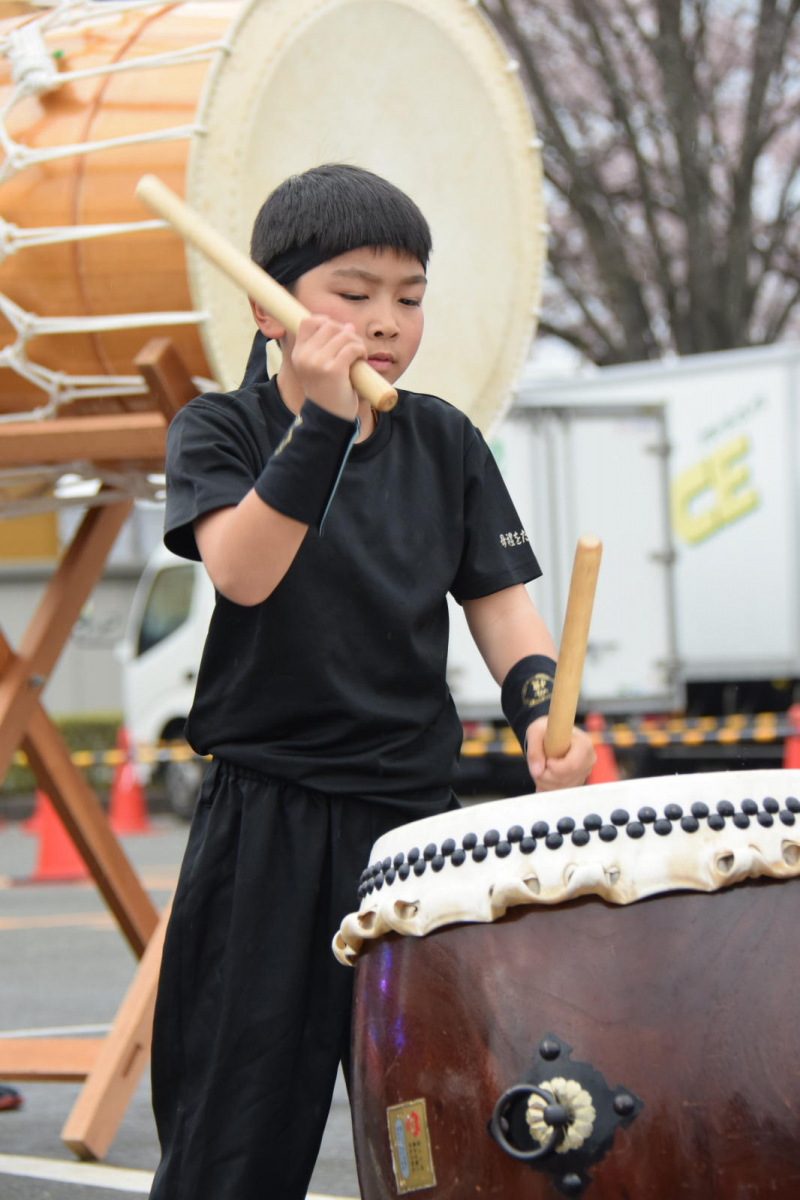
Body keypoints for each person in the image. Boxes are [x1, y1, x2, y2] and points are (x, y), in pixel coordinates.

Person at [149, 163, 595, 1200]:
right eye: (352, 294)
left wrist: (544, 715)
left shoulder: (441, 438)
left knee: (435, 1114)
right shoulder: (220, 430)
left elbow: (502, 613)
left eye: (408, 296)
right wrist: (323, 423)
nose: (384, 320)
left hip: (408, 830)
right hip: (267, 823)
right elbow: (243, 571)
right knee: (235, 1121)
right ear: (273, 307)